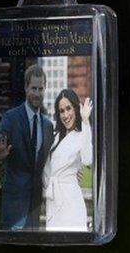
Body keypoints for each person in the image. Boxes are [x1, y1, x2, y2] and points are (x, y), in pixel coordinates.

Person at [0, 65, 54, 229]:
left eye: (41, 88)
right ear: (26, 88)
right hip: (14, 205)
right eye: (33, 88)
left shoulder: (47, 126)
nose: (37, 93)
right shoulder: (10, 118)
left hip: (35, 205)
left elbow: (49, 161)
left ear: (45, 88)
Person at [43, 89, 93, 231]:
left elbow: (88, 159)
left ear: (76, 108)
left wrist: (85, 121)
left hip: (71, 200)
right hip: (53, 200)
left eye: (68, 108)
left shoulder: (81, 134)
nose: (65, 115)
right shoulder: (56, 135)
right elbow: (46, 167)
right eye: (62, 111)